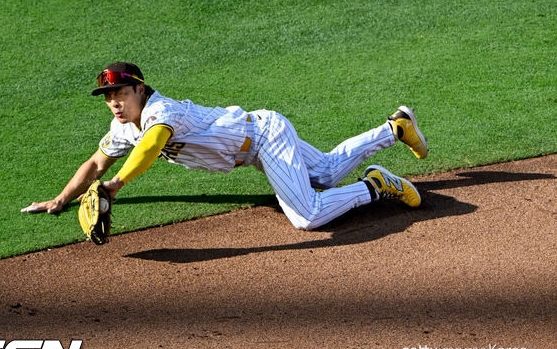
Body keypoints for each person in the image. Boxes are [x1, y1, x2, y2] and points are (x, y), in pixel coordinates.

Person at [21, 62, 428, 230]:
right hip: (254, 144)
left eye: (120, 93)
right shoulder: (123, 125)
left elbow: (150, 148)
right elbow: (96, 162)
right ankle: (395, 128)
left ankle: (376, 186)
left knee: (308, 216)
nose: (113, 102)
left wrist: (117, 185)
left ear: (139, 89)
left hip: (266, 135)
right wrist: (59, 200)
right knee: (323, 172)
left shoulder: (163, 111)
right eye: (108, 96)